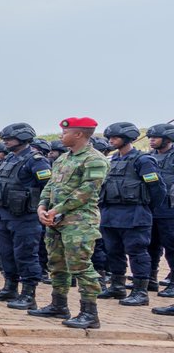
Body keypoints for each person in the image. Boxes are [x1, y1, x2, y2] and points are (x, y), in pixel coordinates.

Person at [32, 117, 110, 328]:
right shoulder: (63, 159)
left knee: (80, 265)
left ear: (78, 134)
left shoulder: (95, 159)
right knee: (56, 264)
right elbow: (50, 186)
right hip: (55, 220)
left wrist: (57, 209)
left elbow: (87, 191)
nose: (61, 136)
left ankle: (89, 313)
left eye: (65, 133)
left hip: (79, 222)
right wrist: (42, 207)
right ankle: (59, 305)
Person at [97, 122, 166, 306]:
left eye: (115, 138)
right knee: (113, 251)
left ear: (127, 139)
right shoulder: (112, 160)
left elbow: (157, 189)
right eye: (109, 138)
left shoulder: (143, 161)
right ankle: (117, 286)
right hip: (110, 215)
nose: (111, 141)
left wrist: (146, 209)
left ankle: (140, 291)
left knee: (137, 253)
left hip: (135, 215)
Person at [0, 123, 51, 310]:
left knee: (25, 255)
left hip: (25, 216)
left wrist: (45, 209)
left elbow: (49, 188)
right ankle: (10, 287)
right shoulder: (8, 159)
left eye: (9, 139)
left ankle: (29, 294)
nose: (5, 142)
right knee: (6, 253)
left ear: (23, 138)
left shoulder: (36, 160)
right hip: (4, 214)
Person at [146, 124, 174, 312]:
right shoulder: (150, 157)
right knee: (150, 244)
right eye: (150, 137)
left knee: (171, 246)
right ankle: (151, 279)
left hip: (170, 208)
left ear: (168, 139)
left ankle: (172, 282)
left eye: (156, 137)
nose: (152, 140)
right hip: (151, 207)